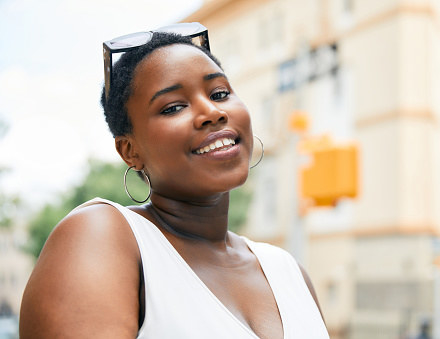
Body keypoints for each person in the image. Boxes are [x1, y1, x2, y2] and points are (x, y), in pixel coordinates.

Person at [19, 23, 329, 338]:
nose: (212, 111)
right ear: (130, 151)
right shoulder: (101, 234)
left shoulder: (287, 270)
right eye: (173, 107)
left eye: (220, 93)